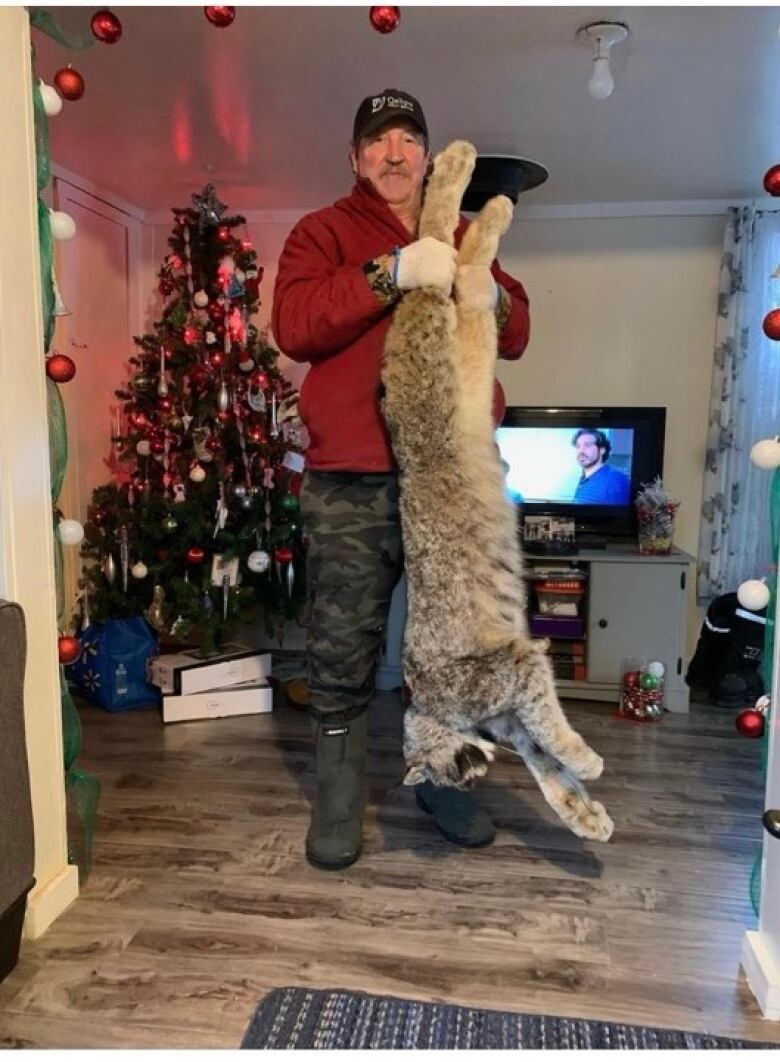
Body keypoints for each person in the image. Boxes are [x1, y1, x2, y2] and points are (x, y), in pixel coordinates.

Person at [272, 88, 531, 870]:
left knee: (453, 645)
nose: (393, 152)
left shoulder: (458, 230)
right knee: (343, 642)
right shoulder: (321, 233)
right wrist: (391, 272)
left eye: (407, 139)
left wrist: (488, 292)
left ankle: (443, 779)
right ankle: (342, 800)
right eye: (377, 140)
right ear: (355, 157)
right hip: (353, 480)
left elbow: (517, 331)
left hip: (449, 476)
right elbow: (296, 324)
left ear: (426, 155)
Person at [572, 428, 630, 505]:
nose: (581, 451)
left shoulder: (616, 481)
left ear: (602, 450)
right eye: (578, 446)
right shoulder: (583, 480)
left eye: (587, 445)